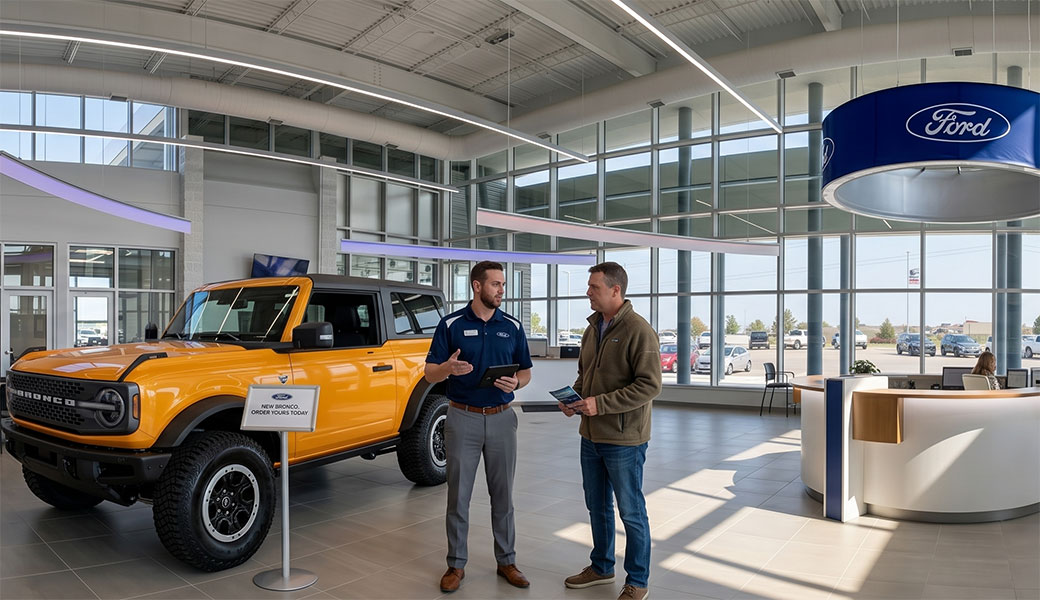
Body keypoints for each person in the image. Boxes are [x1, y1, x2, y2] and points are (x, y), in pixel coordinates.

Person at [424, 260, 533, 594]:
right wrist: (447, 368)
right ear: (476, 286)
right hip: (462, 417)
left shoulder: (512, 326)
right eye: (496, 284)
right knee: (458, 497)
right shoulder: (451, 324)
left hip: (502, 417)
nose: (502, 290)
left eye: (502, 284)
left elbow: (526, 373)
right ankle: (456, 565)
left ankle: (507, 561)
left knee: (503, 496)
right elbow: (430, 373)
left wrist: (516, 381)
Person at [558, 262, 662, 600]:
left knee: (630, 510)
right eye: (589, 286)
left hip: (624, 440)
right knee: (597, 505)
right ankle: (602, 566)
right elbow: (585, 375)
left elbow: (649, 385)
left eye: (594, 287)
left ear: (616, 290)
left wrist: (599, 405)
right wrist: (574, 399)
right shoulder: (592, 329)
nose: (587, 292)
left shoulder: (638, 330)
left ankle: (638, 581)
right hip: (591, 436)